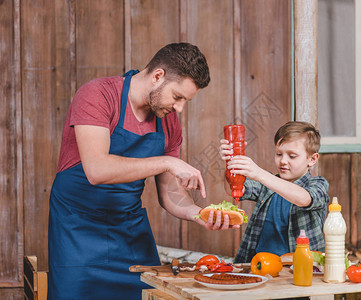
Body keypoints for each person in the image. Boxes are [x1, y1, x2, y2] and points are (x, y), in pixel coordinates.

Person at [48, 43, 237, 300]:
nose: (179, 108)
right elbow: (97, 169)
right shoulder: (98, 95)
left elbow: (170, 192)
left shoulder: (168, 120)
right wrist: (166, 162)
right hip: (77, 231)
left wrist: (198, 213)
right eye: (177, 97)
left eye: (185, 101)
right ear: (158, 76)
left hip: (128, 232)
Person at [219, 121, 330, 263]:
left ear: (312, 159)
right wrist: (230, 163)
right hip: (259, 265)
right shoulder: (267, 184)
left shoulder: (318, 184)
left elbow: (303, 198)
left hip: (299, 270)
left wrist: (258, 173)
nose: (283, 161)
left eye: (292, 156)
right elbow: (233, 189)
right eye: (279, 154)